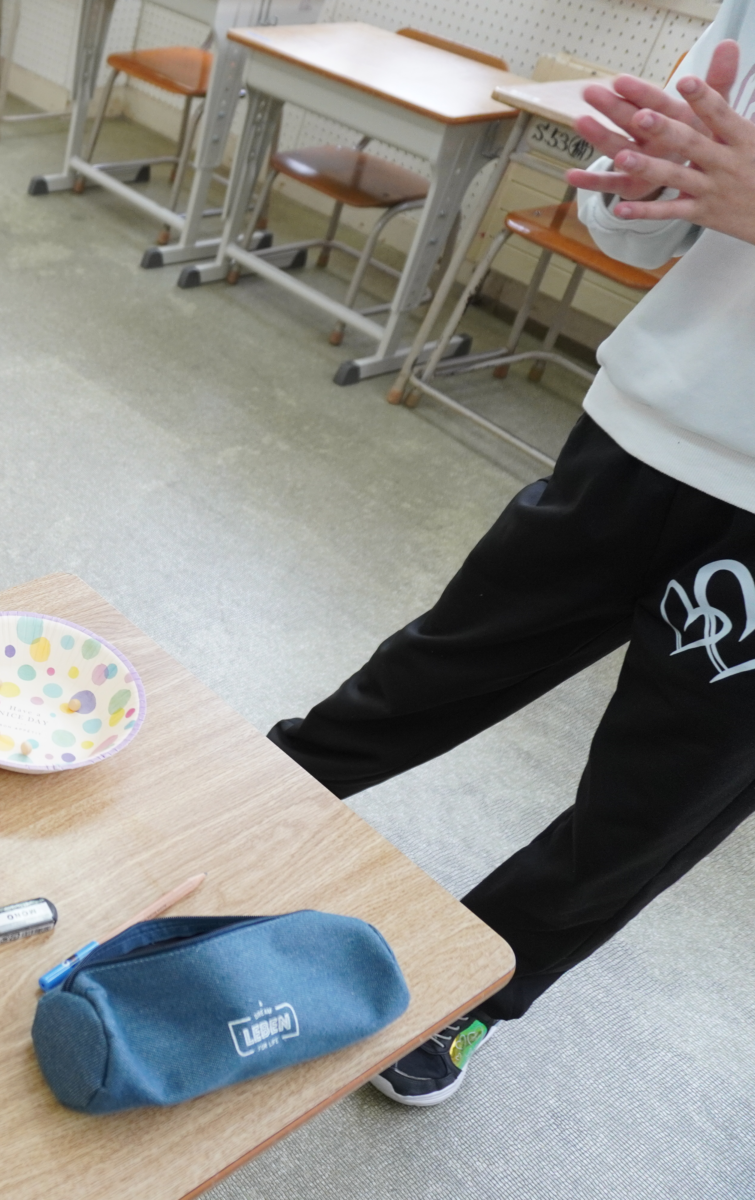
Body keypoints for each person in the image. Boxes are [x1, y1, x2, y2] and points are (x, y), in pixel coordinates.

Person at [268, 4, 755, 1106]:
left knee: (647, 806)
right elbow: (642, 231)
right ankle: (246, 800)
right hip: (645, 423)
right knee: (442, 663)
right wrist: (634, 184)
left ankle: (476, 993)